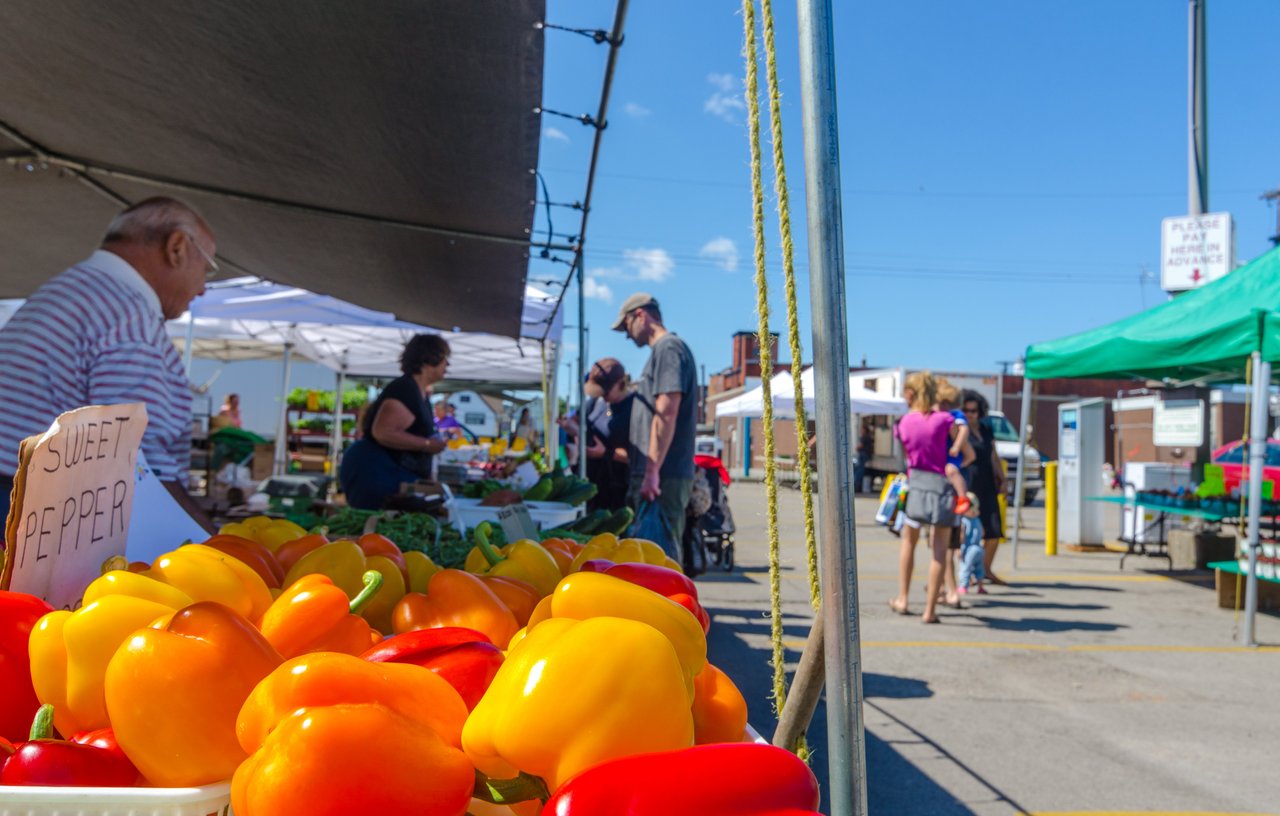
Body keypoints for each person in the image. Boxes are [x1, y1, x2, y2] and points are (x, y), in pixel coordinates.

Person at [0, 196, 217, 529]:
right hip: (27, 514)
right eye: (207, 268)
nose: (203, 288)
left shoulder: (68, 288)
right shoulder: (128, 317)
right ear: (176, 248)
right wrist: (215, 543)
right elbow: (141, 468)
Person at [614, 292, 698, 559]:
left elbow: (667, 410)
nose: (627, 335)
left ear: (640, 315)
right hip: (659, 475)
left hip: (663, 477)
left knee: (659, 559)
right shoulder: (662, 352)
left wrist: (652, 471)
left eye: (626, 326)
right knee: (648, 558)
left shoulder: (669, 348)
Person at [338, 334, 449, 509]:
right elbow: (383, 432)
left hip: (389, 471)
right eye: (444, 359)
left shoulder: (420, 393)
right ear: (430, 359)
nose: (447, 365)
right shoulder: (404, 389)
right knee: (375, 528)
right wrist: (427, 444)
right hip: (375, 471)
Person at [888, 371, 959, 624]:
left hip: (915, 484)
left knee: (909, 541)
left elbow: (905, 455)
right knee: (939, 550)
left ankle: (903, 598)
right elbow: (962, 452)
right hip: (942, 486)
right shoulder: (945, 419)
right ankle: (930, 611)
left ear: (911, 393)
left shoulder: (904, 422)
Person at [961, 389, 1009, 586]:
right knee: (969, 533)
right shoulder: (959, 431)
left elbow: (993, 455)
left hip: (988, 483)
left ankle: (986, 569)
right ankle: (969, 572)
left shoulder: (986, 430)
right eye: (967, 410)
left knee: (994, 530)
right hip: (969, 486)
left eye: (974, 410)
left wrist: (1003, 478)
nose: (970, 414)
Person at [582, 357, 636, 512]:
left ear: (620, 384)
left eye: (605, 391)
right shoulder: (598, 404)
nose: (602, 395)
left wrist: (606, 453)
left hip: (620, 491)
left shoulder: (634, 408)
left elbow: (638, 456)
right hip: (596, 486)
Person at [936, 382, 975, 513]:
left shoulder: (955, 414)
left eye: (945, 403)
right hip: (941, 453)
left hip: (952, 453)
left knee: (951, 471)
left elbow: (964, 430)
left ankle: (962, 497)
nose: (942, 406)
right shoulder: (936, 414)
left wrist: (957, 446)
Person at [956, 492, 987, 595]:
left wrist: (958, 548)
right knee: (979, 569)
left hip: (968, 549)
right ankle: (980, 587)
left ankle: (963, 586)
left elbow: (962, 536)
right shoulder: (977, 519)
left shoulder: (964, 521)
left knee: (965, 568)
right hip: (979, 548)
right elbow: (982, 533)